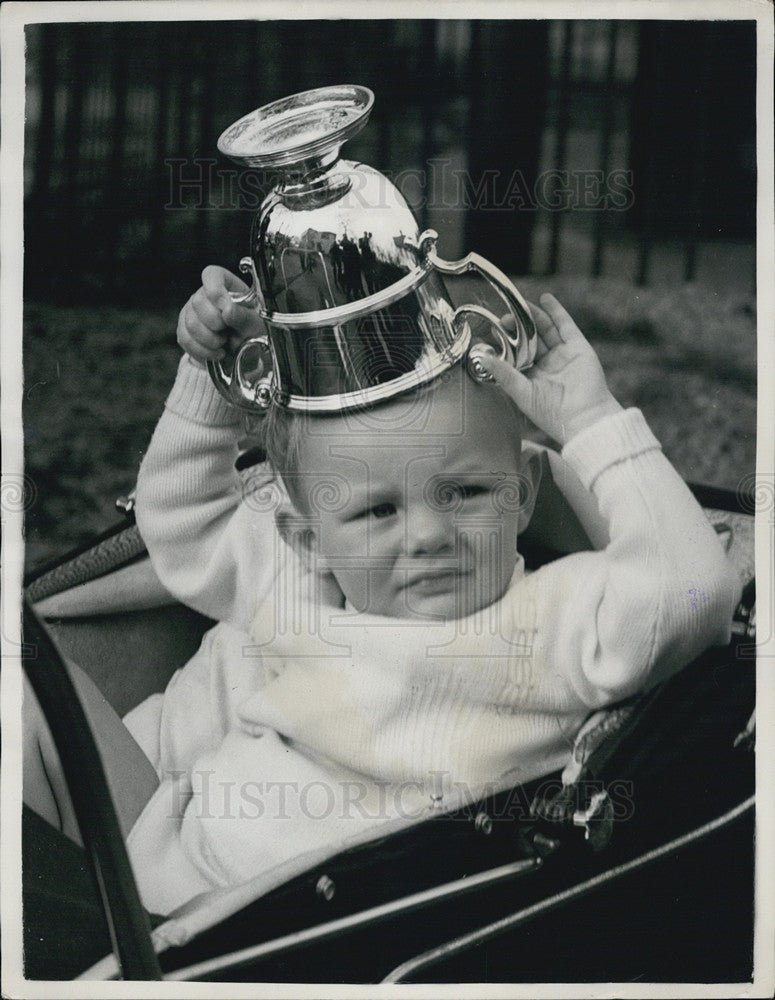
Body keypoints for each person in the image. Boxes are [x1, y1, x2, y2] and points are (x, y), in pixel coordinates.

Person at [24, 266, 740, 920]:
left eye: (462, 492)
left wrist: (590, 420)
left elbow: (692, 586)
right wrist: (215, 381)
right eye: (377, 512)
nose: (427, 536)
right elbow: (183, 521)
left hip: (223, 930)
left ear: (521, 497)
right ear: (307, 535)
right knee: (22, 696)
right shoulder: (306, 580)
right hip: (152, 840)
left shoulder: (552, 622)